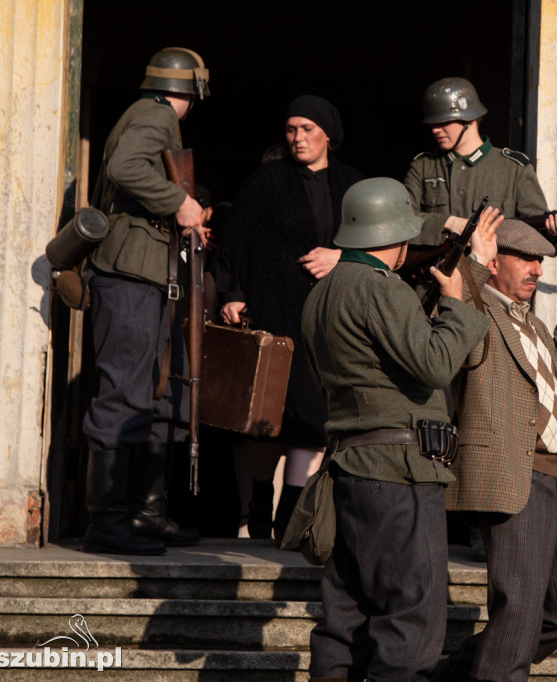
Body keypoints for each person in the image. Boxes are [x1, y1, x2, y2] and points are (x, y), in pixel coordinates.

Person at [301, 177, 491, 679]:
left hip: (349, 469)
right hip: (399, 475)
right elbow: (433, 364)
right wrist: (457, 303)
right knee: (412, 619)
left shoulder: (322, 292)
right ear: (400, 236)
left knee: (344, 620)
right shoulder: (381, 288)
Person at [438, 217, 557, 680]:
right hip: (515, 473)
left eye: (540, 261)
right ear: (493, 263)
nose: (537, 269)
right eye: (526, 259)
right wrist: (471, 261)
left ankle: (454, 674)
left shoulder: (528, 320)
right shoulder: (474, 312)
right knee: (519, 610)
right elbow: (456, 318)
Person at [216, 95, 364, 540]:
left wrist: (341, 256)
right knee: (266, 419)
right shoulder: (268, 180)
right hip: (273, 314)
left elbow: (382, 247)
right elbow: (236, 237)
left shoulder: (353, 186)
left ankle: (292, 513)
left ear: (329, 136)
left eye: (308, 129)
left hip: (328, 321)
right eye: (291, 129)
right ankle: (260, 500)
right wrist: (232, 292)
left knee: (312, 418)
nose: (298, 138)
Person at [82, 47, 210, 555]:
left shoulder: (155, 116)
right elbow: (125, 166)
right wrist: (179, 202)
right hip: (129, 274)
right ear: (196, 87)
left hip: (149, 272)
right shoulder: (155, 114)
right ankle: (107, 523)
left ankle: (144, 516)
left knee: (158, 393)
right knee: (124, 392)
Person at [403, 76, 557, 255]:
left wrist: (556, 232)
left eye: (444, 122)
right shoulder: (423, 167)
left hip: (490, 278)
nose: (436, 130)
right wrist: (449, 222)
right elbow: (400, 221)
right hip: (434, 277)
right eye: (433, 124)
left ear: (470, 120)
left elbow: (537, 235)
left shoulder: (514, 169)